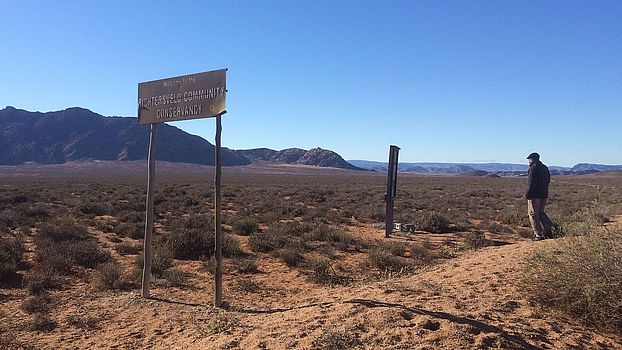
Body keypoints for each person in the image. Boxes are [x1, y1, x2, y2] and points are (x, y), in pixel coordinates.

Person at [526, 152, 553, 240]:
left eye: (529, 159)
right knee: (541, 212)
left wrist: (528, 194)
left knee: (533, 214)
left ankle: (539, 235)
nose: (528, 161)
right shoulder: (545, 168)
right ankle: (550, 230)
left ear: (533, 159)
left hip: (534, 195)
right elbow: (548, 180)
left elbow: (531, 183)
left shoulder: (533, 168)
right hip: (544, 194)